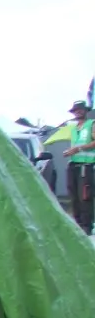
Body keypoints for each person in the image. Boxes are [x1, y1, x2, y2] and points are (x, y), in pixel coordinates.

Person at [63, 100, 95, 234]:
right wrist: (69, 152)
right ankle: (78, 224)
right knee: (73, 195)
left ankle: (87, 225)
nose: (78, 112)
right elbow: (74, 147)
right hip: (73, 164)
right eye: (75, 110)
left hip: (85, 166)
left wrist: (79, 148)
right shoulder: (74, 128)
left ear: (85, 111)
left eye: (80, 109)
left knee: (85, 195)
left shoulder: (91, 124)